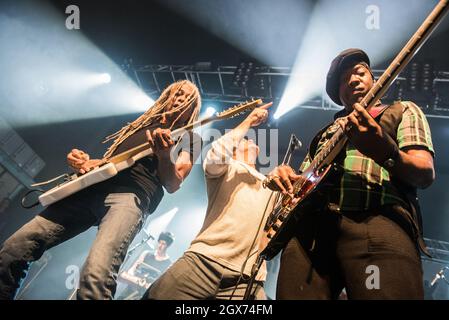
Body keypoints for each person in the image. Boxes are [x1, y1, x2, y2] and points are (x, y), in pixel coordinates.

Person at [0, 80, 202, 300]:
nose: (181, 98)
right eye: (177, 93)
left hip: (130, 197)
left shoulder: (190, 138)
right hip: (91, 189)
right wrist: (84, 163)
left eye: (187, 97)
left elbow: (174, 183)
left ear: (193, 109)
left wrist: (164, 156)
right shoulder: (139, 125)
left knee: (96, 276)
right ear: (166, 96)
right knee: (15, 248)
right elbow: (108, 163)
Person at [265, 49, 435, 299]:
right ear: (338, 95)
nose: (353, 80)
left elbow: (424, 173)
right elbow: (306, 182)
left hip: (379, 222)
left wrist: (383, 148)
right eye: (344, 79)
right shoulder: (324, 134)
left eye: (359, 73)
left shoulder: (403, 110)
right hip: (310, 237)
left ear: (374, 79)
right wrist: (288, 176)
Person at [142, 102, 275, 300]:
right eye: (244, 139)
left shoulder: (271, 183)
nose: (250, 141)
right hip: (203, 261)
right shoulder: (225, 168)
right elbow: (218, 151)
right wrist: (248, 121)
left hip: (246, 278)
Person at [117, 231, 174, 300]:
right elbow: (133, 268)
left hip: (146, 293)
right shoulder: (146, 254)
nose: (160, 246)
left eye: (163, 244)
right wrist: (130, 276)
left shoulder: (168, 264)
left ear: (168, 246)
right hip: (132, 287)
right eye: (159, 242)